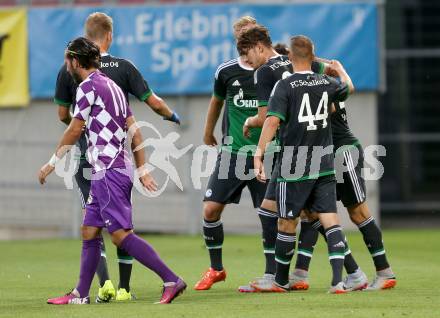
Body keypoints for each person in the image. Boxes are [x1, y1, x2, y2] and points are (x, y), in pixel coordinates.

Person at [39, 37, 186, 305]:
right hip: (112, 169)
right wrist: (140, 168)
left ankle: (171, 279)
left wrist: (51, 163)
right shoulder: (114, 87)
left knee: (120, 235)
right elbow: (134, 130)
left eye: (67, 59)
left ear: (75, 60)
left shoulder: (86, 87)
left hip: (108, 171)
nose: (65, 65)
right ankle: (80, 294)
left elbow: (74, 128)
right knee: (90, 230)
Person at [237, 26, 368, 291]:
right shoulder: (311, 70)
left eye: (246, 52)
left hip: (293, 156)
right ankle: (341, 275)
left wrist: (254, 135)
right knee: (314, 214)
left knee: (286, 217)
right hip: (321, 154)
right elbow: (339, 94)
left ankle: (277, 278)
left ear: (259, 46)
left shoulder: (268, 75)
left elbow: (268, 119)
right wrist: (339, 71)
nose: (245, 60)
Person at [194, 16, 278, 292]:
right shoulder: (226, 71)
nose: (245, 40)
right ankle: (216, 269)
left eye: (250, 34)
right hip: (232, 153)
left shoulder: (273, 68)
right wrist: (208, 132)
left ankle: (273, 272)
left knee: (269, 214)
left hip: (265, 154)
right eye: (241, 34)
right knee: (210, 209)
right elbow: (216, 102)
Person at [291, 99, 397, 290]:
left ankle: (385, 272)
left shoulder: (320, 83)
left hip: (343, 151)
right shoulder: (314, 81)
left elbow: (338, 97)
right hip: (321, 156)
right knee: (311, 213)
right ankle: (303, 273)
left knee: (358, 213)